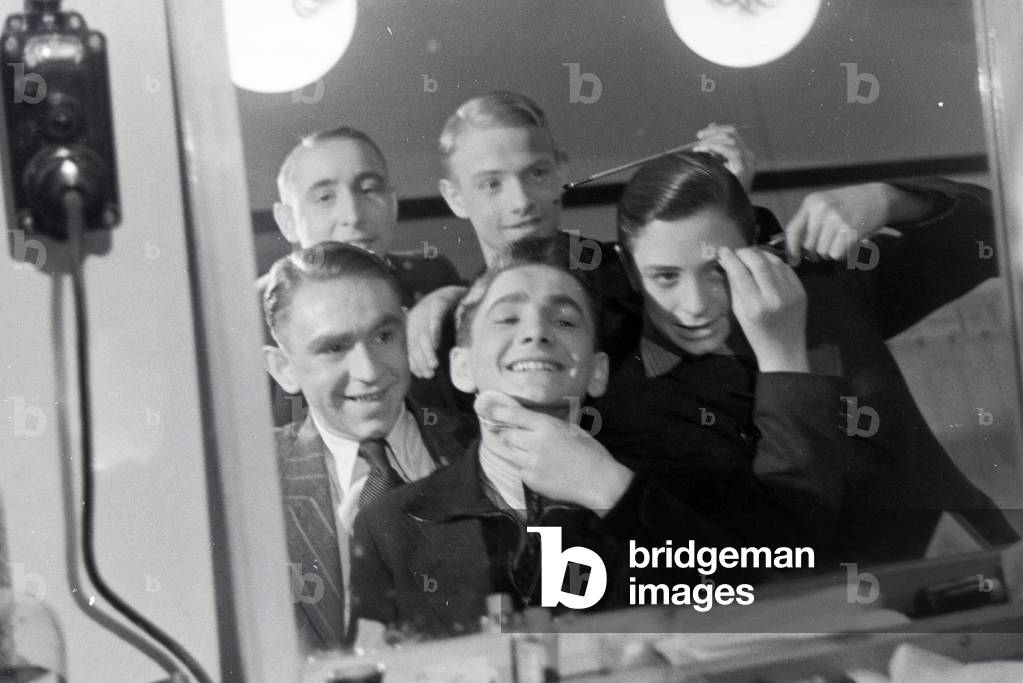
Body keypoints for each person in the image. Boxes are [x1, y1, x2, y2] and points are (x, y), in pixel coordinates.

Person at [351, 244, 846, 639]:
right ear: (461, 367)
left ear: (598, 371)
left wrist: (613, 492)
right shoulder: (391, 524)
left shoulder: (680, 488)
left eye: (565, 321)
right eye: (507, 318)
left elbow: (777, 613)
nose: (537, 332)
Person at [595, 151, 1017, 563]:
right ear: (629, 270)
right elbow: (778, 551)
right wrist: (784, 361)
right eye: (666, 277)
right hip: (840, 605)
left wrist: (889, 199)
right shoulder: (629, 408)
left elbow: (997, 239)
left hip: (987, 561)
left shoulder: (821, 286)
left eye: (719, 269)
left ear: (756, 246)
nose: (695, 305)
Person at [407, 90, 758, 388]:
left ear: (562, 169)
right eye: (491, 184)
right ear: (454, 197)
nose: (521, 201)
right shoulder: (448, 324)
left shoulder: (633, 271)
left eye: (537, 173)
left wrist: (728, 199)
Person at [261, 241, 475, 652]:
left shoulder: (487, 448)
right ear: (284, 368)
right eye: (334, 348)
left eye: (382, 336)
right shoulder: (252, 488)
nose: (369, 370)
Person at [270, 126, 465, 418]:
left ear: (393, 203)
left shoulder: (431, 278)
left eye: (369, 189)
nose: (353, 216)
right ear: (287, 221)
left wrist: (454, 296)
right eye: (325, 197)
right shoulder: (254, 315)